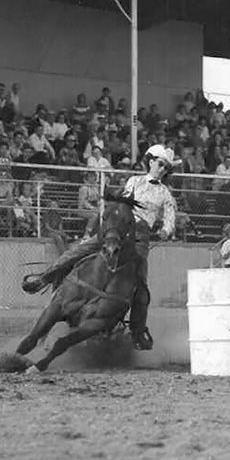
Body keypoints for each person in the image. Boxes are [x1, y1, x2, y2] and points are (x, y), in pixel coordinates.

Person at [21, 144, 179, 350]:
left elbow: (169, 219)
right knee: (80, 250)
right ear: (151, 162)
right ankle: (44, 278)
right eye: (161, 164)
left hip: (140, 237)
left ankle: (138, 331)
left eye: (166, 168)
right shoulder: (134, 181)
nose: (163, 169)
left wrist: (165, 231)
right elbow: (123, 204)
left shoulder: (165, 194)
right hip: (120, 226)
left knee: (140, 286)